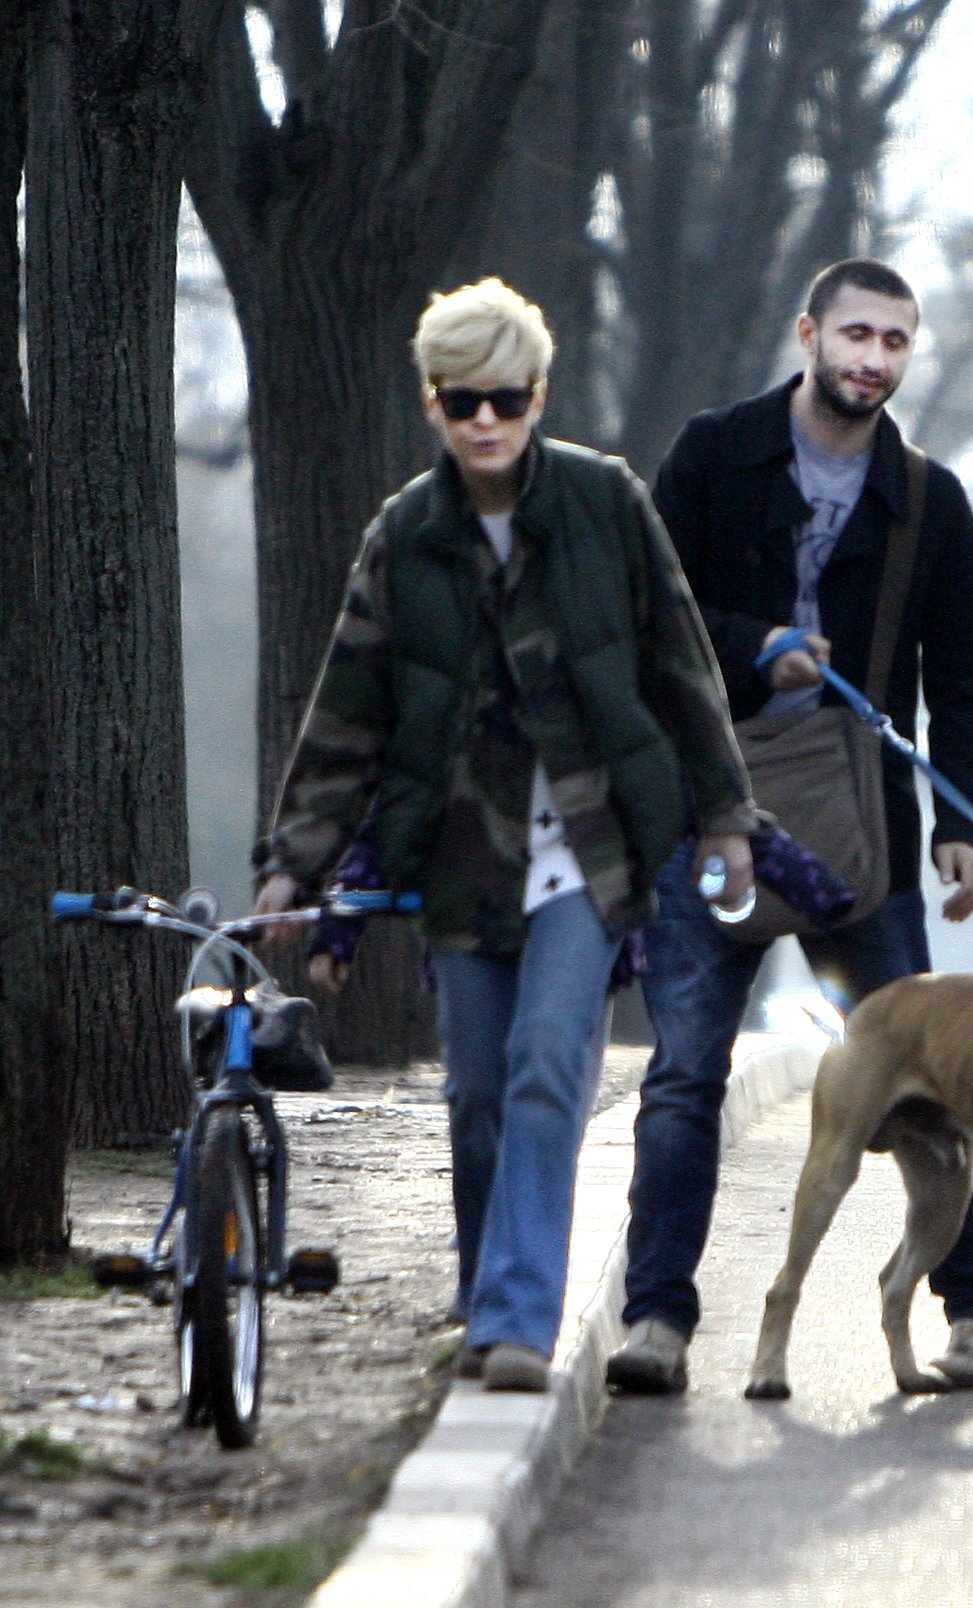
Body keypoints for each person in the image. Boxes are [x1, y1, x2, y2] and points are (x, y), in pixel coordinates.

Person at [256, 279, 756, 1393]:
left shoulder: (604, 502)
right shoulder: (406, 535)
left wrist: (725, 816)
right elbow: (350, 705)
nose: (486, 420)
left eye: (508, 398)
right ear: (433, 406)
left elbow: (682, 663)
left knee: (545, 1069)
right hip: (458, 855)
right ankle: (489, 1289)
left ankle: (519, 1321)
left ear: (538, 397)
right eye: (462, 399)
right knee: (477, 1091)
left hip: (590, 848)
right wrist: (297, 860)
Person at [603, 259, 973, 1396]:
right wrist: (756, 645)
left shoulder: (930, 499)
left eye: (894, 341)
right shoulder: (709, 452)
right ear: (809, 333)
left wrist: (960, 822)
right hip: (710, 807)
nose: (873, 359)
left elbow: (968, 675)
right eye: (856, 334)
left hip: (863, 834)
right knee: (686, 1074)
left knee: (932, 1078)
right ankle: (657, 1321)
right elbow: (646, 607)